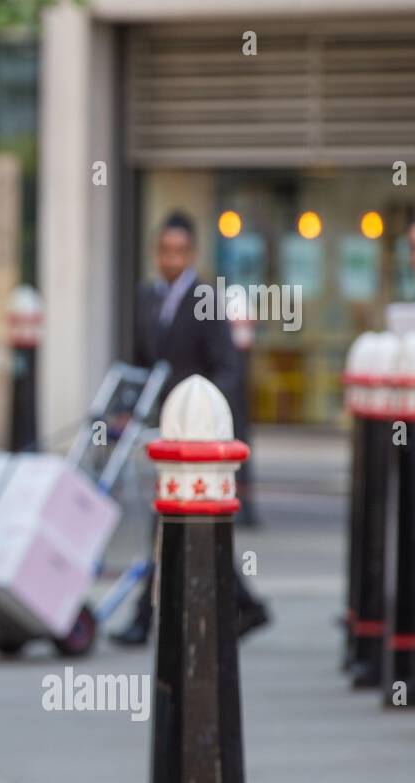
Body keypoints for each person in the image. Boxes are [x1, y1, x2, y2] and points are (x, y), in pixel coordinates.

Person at [111, 211, 270, 646]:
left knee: (171, 523)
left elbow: (228, 368)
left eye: (180, 251)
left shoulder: (207, 299)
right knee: (186, 525)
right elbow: (141, 363)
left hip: (197, 434)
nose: (171, 259)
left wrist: (204, 414)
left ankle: (145, 617)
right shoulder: (147, 298)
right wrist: (127, 411)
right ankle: (247, 605)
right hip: (164, 431)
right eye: (165, 250)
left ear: (193, 253)